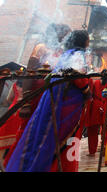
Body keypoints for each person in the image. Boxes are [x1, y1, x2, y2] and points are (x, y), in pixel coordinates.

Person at [6, 30, 91, 172]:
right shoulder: (78, 54)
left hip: (53, 100)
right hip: (68, 105)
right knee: (64, 143)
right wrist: (87, 92)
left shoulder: (65, 54)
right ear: (84, 41)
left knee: (45, 138)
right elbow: (78, 76)